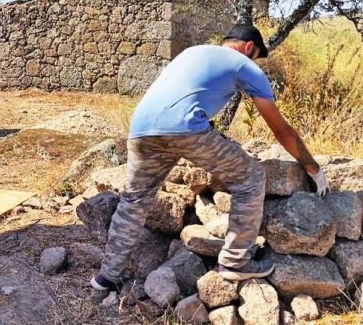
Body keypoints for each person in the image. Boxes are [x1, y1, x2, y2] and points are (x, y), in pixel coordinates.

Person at [91, 24, 329, 292]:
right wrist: (313, 167)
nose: (254, 62)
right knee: (250, 177)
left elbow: (183, 96)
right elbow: (281, 130)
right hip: (185, 129)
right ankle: (235, 262)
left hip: (141, 130)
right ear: (249, 48)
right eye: (256, 56)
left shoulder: (192, 52)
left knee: (134, 200)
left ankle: (106, 278)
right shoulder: (245, 65)